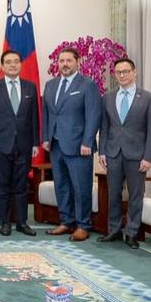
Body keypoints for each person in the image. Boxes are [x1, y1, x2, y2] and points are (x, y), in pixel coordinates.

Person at [98, 58, 151, 249]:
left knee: (135, 195)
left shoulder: (148, 98)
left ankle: (132, 233)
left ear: (134, 72)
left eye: (125, 71)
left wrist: (149, 157)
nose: (122, 75)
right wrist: (102, 151)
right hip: (113, 153)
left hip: (138, 155)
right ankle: (114, 230)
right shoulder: (108, 97)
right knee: (113, 194)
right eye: (118, 72)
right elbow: (105, 127)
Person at [42, 47, 102, 242]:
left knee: (81, 187)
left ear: (78, 62)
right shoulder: (51, 85)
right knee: (61, 185)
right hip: (56, 144)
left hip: (79, 146)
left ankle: (83, 225)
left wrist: (88, 141)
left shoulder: (88, 85)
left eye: (69, 60)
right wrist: (45, 138)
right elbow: (47, 114)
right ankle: (66, 221)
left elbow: (93, 115)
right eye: (61, 61)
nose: (65, 64)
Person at [0, 50, 40, 237]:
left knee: (22, 185)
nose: (13, 65)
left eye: (16, 61)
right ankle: (5, 222)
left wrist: (35, 143)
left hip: (24, 144)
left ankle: (22, 222)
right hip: (0, 144)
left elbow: (34, 117)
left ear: (21, 64)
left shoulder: (30, 87)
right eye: (8, 62)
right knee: (3, 185)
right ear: (2, 66)